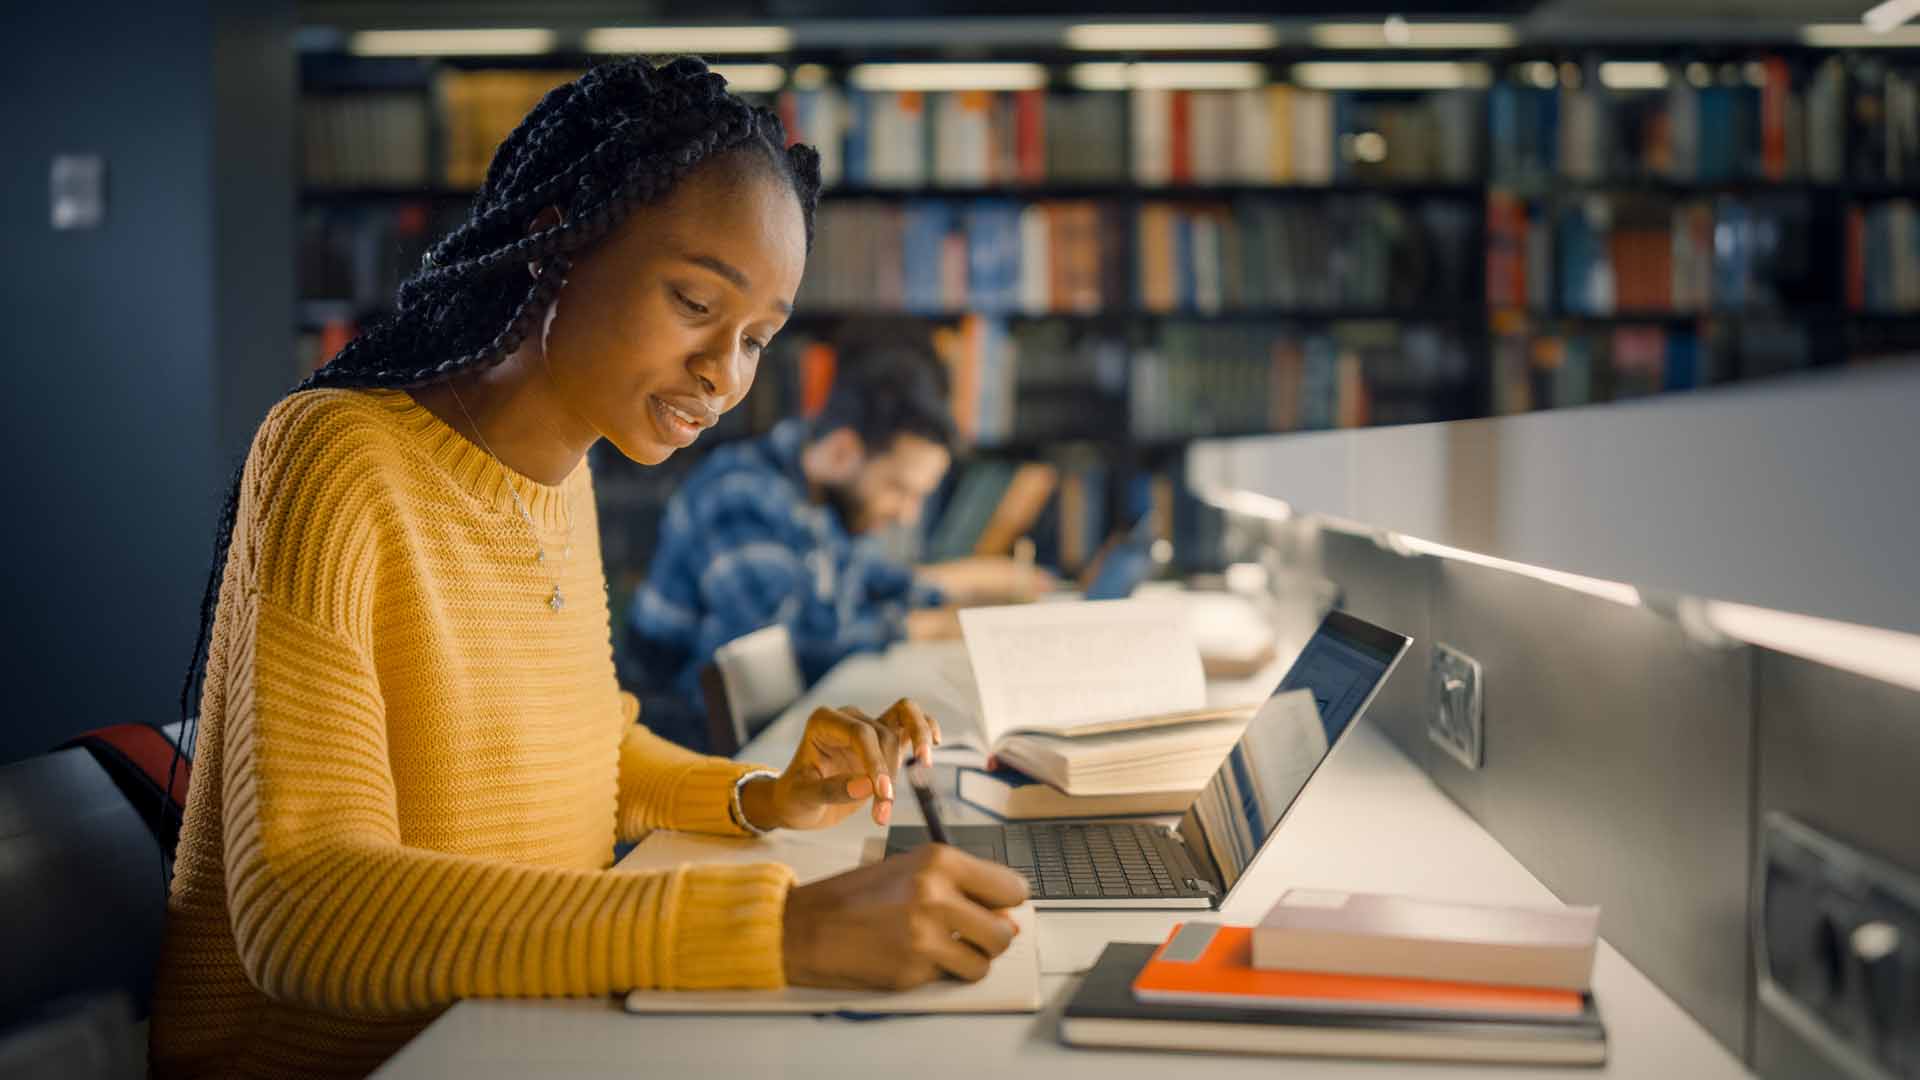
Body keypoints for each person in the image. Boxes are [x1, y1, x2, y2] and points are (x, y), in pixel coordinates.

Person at [150, 59, 1027, 1080]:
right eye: (696, 300)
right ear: (563, 238)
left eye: (756, 339)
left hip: (513, 1033)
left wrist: (764, 797)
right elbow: (303, 907)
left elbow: (586, 754)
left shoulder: (563, 478)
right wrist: (774, 929)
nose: (724, 373)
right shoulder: (337, 458)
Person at [629, 334, 1055, 744]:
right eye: (899, 489)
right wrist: (932, 627)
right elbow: (786, 646)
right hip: (682, 741)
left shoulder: (818, 493)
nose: (906, 515)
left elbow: (865, 581)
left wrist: (974, 584)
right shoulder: (740, 494)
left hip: (770, 730)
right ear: (843, 452)